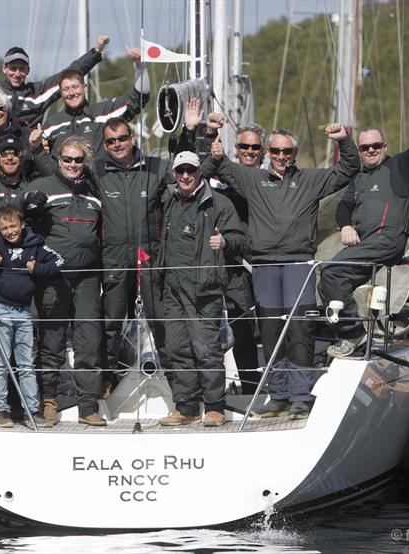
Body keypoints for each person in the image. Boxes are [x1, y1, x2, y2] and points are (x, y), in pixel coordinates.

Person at [203, 124, 359, 420]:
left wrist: (343, 140)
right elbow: (218, 164)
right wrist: (212, 135)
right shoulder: (252, 178)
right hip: (263, 264)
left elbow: (349, 167)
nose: (281, 156)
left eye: (286, 151)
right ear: (268, 153)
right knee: (272, 331)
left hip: (299, 263)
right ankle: (278, 395)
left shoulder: (310, 180)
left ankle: (300, 396)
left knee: (300, 330)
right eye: (275, 151)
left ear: (294, 154)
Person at [319, 98, 409, 357]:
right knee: (323, 276)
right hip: (365, 245)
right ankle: (342, 331)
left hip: (387, 242)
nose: (371, 150)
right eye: (365, 147)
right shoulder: (358, 178)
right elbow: (343, 208)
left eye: (376, 146)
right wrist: (346, 226)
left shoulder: (399, 166)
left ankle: (353, 333)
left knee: (332, 273)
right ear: (359, 151)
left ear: (384, 147)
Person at [179, 99, 263, 394]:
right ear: (237, 150)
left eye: (255, 149)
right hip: (212, 261)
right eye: (244, 148)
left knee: (245, 331)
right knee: (204, 329)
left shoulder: (262, 181)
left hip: (246, 261)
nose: (250, 153)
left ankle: (253, 390)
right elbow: (190, 171)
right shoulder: (219, 177)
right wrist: (205, 132)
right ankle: (207, 391)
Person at [158, 151, 244, 427]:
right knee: (177, 348)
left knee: (206, 349)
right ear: (174, 174)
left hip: (203, 289)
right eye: (180, 171)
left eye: (190, 171)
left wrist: (226, 242)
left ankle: (215, 406)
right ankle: (186, 407)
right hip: (172, 288)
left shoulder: (218, 202)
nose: (185, 176)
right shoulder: (170, 201)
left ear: (199, 173)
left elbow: (241, 238)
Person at [25, 137, 104, 425]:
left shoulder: (95, 192)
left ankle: (88, 406)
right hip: (53, 278)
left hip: (87, 278)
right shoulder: (41, 188)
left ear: (85, 162)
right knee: (52, 341)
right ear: (58, 160)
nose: (72, 164)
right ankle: (48, 401)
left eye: (78, 160)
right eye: (67, 159)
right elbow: (22, 227)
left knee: (89, 342)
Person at [91, 117, 173, 389]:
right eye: (111, 141)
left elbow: (190, 174)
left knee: (159, 320)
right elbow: (64, 172)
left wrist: (197, 131)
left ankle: (176, 383)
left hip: (148, 258)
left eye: (122, 138)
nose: (118, 145)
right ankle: (105, 384)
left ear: (132, 138)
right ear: (105, 144)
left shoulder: (157, 167)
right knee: (111, 323)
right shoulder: (96, 171)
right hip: (113, 259)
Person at [0, 204, 62, 428]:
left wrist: (37, 269)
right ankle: (2, 411)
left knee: (26, 364)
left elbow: (59, 262)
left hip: (24, 312)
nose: (10, 231)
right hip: (0, 309)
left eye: (13, 226)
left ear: (22, 225)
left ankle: (32, 410)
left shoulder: (35, 243)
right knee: (1, 363)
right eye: (5, 228)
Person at [42, 47, 149, 154]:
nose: (71, 93)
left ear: (85, 88)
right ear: (61, 92)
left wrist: (140, 65)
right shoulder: (51, 124)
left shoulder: (104, 113)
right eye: (66, 89)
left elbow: (139, 98)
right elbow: (41, 156)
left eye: (75, 87)